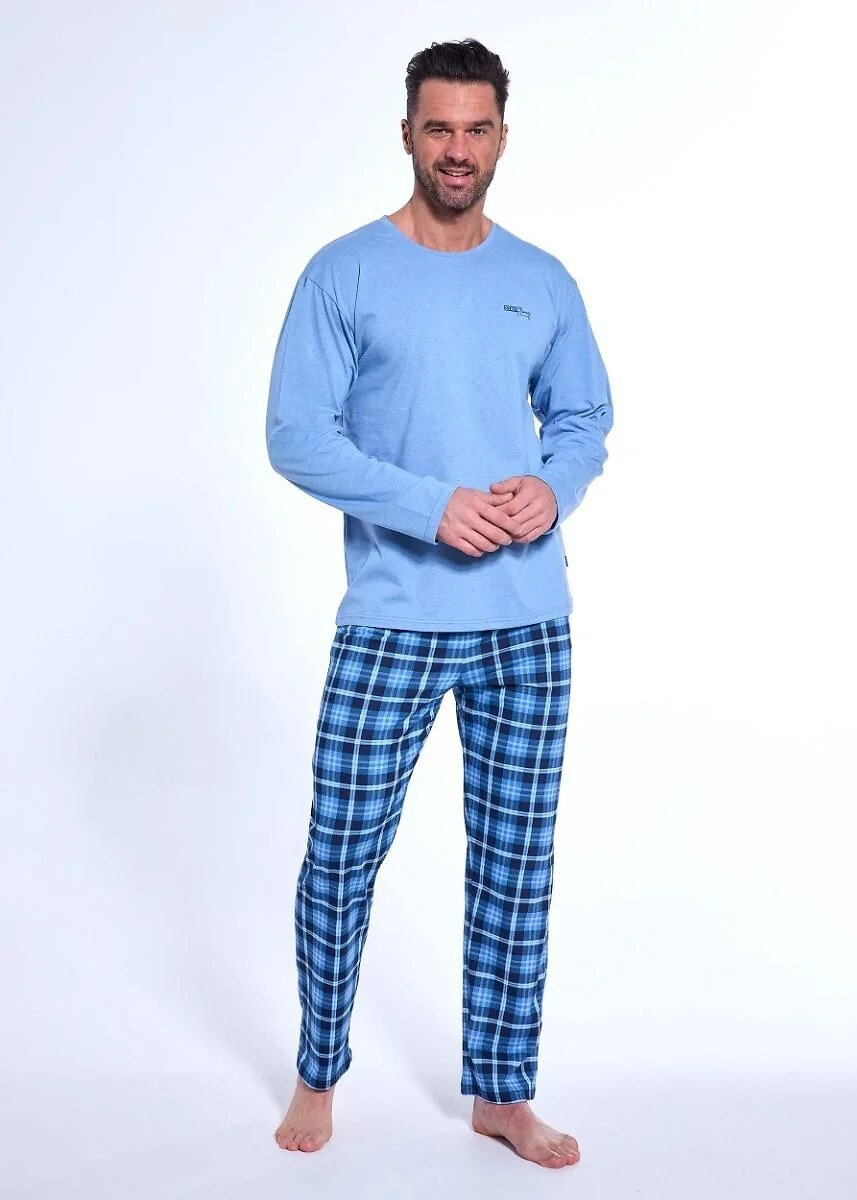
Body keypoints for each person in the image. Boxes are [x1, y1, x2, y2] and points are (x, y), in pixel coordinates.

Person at [265, 37, 613, 1169]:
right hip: (392, 617)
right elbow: (296, 436)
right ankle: (318, 1069)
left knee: (515, 866)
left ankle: (501, 1095)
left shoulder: (541, 280)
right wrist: (429, 506)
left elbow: (582, 419)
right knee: (340, 855)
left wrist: (552, 488)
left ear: (501, 137)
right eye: (437, 128)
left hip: (527, 618)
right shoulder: (344, 273)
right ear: (406, 134)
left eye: (475, 128)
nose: (456, 149)